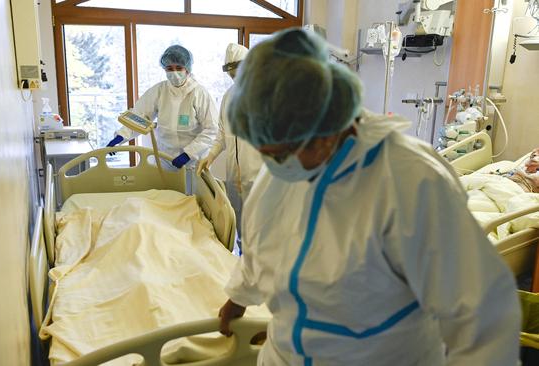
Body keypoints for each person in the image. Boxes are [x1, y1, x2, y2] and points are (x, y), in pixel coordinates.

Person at [218, 28, 520, 365]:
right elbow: (262, 247)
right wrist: (238, 299)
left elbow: (481, 316)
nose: (272, 163)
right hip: (284, 355)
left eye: (278, 152)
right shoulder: (281, 172)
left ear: (324, 130)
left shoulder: (410, 180)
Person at [107, 45, 219, 169]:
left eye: (178, 68)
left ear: (187, 68)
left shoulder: (199, 93)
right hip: (165, 158)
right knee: (167, 188)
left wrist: (189, 154)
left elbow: (212, 129)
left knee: (191, 188)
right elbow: (139, 116)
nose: (174, 72)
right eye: (169, 68)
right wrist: (120, 137)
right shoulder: (159, 91)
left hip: (193, 161)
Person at [197, 43, 263, 249]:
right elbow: (223, 133)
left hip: (260, 173)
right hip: (235, 175)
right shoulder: (228, 96)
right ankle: (243, 258)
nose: (235, 78)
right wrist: (211, 156)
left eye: (238, 72)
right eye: (232, 74)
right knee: (240, 221)